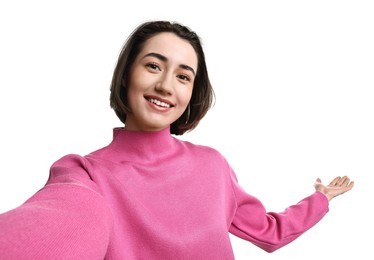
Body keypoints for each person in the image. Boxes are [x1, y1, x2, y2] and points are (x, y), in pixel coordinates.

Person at [0, 20, 354, 259]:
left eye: (183, 76)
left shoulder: (212, 165)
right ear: (126, 76)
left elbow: (268, 232)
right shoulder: (84, 174)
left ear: (192, 92)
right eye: (153, 66)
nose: (166, 86)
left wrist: (320, 200)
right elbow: (53, 224)